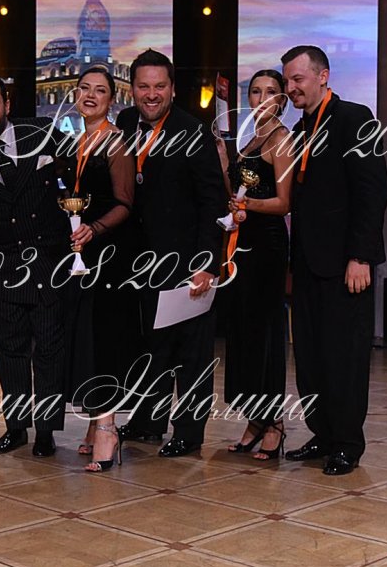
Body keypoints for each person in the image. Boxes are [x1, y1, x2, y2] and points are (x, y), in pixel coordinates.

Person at [280, 45, 387, 476]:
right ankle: (322, 433)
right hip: (308, 263)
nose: (291, 87)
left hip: (346, 264)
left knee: (344, 356)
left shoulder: (354, 118)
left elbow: (372, 191)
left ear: (322, 76)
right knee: (310, 356)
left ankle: (346, 443)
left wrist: (360, 255)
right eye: (287, 81)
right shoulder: (301, 128)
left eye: (298, 79)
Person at [115, 50, 227, 458]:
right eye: (143, 86)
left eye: (159, 86)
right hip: (140, 261)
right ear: (132, 89)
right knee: (151, 345)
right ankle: (148, 420)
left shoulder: (192, 131)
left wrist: (207, 264)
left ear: (172, 89)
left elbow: (213, 202)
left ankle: (190, 432)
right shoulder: (125, 123)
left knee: (191, 352)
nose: (151, 94)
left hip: (186, 261)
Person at [0, 76, 70, 458]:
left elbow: (79, 169)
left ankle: (46, 432)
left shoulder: (39, 130)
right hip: (5, 264)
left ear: (6, 103)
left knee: (50, 351)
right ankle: (16, 427)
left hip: (48, 260)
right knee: (9, 350)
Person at [59, 66, 140, 472]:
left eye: (100, 91)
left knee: (102, 340)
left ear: (112, 99)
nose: (90, 95)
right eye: (84, 89)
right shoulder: (79, 141)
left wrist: (93, 229)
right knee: (86, 338)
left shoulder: (116, 142)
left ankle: (108, 429)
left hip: (108, 255)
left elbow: (125, 203)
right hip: (83, 252)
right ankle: (95, 424)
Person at [215, 69, 293, 461]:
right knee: (245, 333)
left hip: (268, 246)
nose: (262, 99)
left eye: (270, 92)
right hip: (242, 244)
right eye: (256, 92)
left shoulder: (282, 139)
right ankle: (255, 419)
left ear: (282, 100)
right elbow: (236, 198)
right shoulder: (251, 139)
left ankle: (274, 423)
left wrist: (248, 205)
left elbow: (284, 203)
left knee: (265, 334)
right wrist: (223, 161)